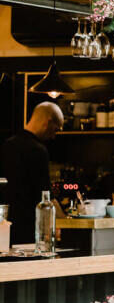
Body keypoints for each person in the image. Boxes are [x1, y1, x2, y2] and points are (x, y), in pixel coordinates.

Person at [1, 102, 64, 244]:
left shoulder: (7, 145)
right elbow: (46, 194)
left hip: (6, 227)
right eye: (55, 130)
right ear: (47, 122)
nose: (54, 136)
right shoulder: (38, 150)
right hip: (30, 229)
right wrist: (65, 222)